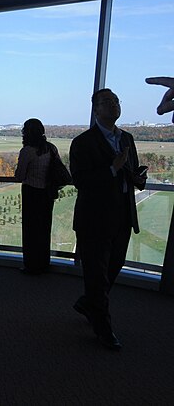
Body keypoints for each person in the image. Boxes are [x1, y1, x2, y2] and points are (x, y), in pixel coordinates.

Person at [70, 88, 146, 350]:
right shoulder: (82, 142)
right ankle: (103, 328)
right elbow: (80, 181)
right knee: (97, 275)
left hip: (123, 217)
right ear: (95, 110)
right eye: (107, 102)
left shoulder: (127, 138)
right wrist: (112, 168)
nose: (113, 105)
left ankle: (89, 303)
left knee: (113, 267)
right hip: (94, 219)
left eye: (116, 101)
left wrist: (138, 179)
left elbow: (131, 172)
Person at [15, 118, 57, 274]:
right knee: (44, 229)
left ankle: (31, 265)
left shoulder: (27, 151)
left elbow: (19, 176)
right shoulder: (51, 148)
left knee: (30, 230)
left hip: (31, 193)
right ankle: (43, 263)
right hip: (47, 194)